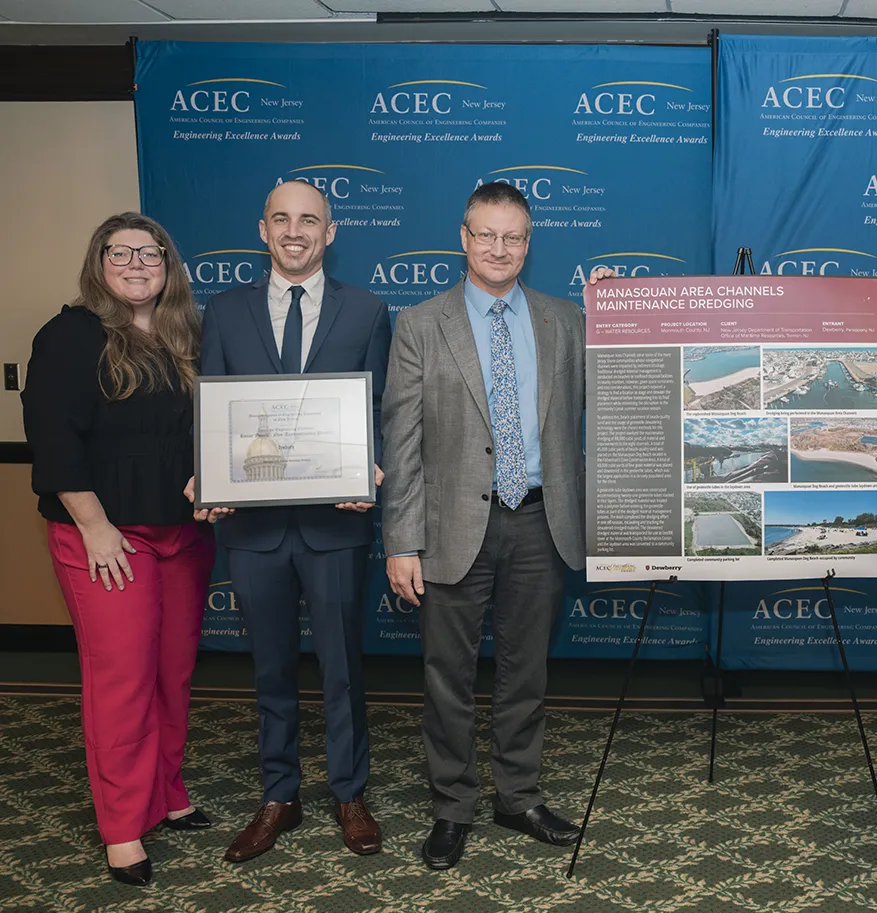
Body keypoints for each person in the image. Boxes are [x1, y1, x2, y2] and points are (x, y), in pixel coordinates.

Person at [383, 182, 607, 869]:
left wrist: (619, 312)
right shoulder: (421, 324)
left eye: (513, 236)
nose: (499, 248)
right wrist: (401, 541)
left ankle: (518, 795)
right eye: (486, 235)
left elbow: (624, 389)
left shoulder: (566, 319)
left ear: (529, 241)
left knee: (525, 672)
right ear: (463, 237)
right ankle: (452, 807)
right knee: (447, 676)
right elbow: (402, 441)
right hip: (451, 528)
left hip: (541, 523)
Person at [193, 180, 391, 863]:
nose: (295, 230)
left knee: (343, 668)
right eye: (282, 218)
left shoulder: (367, 311)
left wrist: (374, 467)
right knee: (270, 669)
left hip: (336, 527)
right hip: (252, 530)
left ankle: (349, 791)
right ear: (263, 228)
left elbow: (382, 412)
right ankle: (280, 792)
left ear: (330, 232)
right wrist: (205, 473)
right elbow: (212, 410)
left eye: (309, 219)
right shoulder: (223, 311)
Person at [22, 213, 216, 887]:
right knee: (122, 682)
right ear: (98, 261)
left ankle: (166, 791)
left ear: (169, 263)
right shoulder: (69, 336)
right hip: (106, 537)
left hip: (183, 533)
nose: (137, 263)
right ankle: (123, 826)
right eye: (121, 252)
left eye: (151, 251)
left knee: (172, 673)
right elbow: (54, 442)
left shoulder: (185, 332)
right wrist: (94, 524)